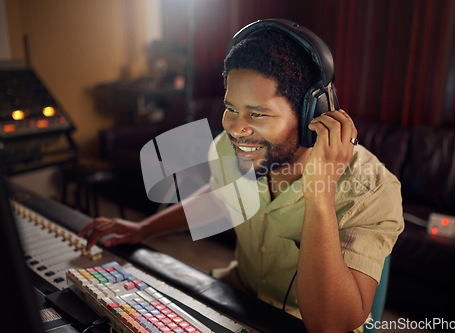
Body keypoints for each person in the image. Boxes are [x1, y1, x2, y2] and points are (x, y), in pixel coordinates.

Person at [79, 19, 404, 333]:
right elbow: (221, 200)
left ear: (312, 115)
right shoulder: (235, 149)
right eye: (231, 108)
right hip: (239, 295)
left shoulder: (373, 190)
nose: (234, 127)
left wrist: (320, 194)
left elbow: (329, 325)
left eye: (257, 113)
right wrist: (142, 229)